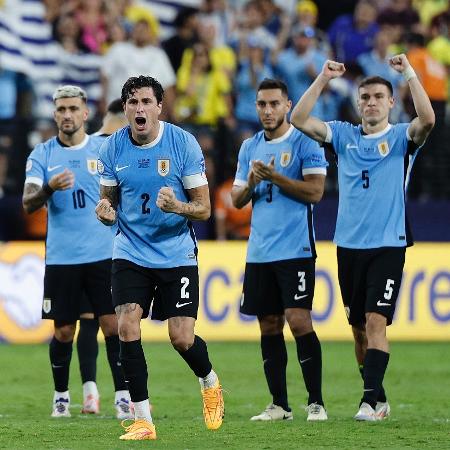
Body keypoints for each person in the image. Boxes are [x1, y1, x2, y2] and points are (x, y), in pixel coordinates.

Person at [290, 55, 435, 420]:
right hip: (349, 246)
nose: (370, 102)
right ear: (358, 103)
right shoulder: (343, 135)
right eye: (365, 97)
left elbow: (428, 119)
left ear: (390, 103)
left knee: (375, 322)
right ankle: (379, 395)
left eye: (377, 97)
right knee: (357, 330)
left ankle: (369, 402)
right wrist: (323, 77)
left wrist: (409, 74)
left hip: (388, 244)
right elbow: (299, 119)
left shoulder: (403, 138)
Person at [95, 75, 224, 441]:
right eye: (132, 102)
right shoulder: (112, 149)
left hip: (175, 252)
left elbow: (204, 209)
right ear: (125, 109)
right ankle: (143, 421)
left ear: (159, 107)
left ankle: (210, 382)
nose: (139, 108)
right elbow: (109, 203)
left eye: (146, 102)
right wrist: (104, 213)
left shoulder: (182, 143)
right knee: (126, 326)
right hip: (131, 250)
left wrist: (178, 205)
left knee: (181, 338)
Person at [22, 85, 132, 420]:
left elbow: (123, 191)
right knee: (64, 331)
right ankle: (61, 397)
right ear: (55, 114)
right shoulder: (42, 155)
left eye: (73, 109)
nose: (67, 115)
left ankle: (123, 397)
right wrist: (49, 188)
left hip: (104, 255)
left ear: (86, 113)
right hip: (62, 259)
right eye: (61, 109)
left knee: (114, 326)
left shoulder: (103, 148)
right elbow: (28, 203)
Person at [231, 78, 328, 422]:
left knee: (298, 320)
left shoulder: (306, 141)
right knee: (268, 325)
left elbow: (315, 192)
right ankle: (279, 405)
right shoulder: (249, 147)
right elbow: (236, 200)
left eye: (274, 104)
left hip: (296, 249)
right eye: (262, 104)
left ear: (288, 105)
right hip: (259, 252)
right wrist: (255, 181)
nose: (268, 110)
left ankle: (316, 402)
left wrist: (275, 178)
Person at [76, 97, 130, 414]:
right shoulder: (103, 148)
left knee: (105, 325)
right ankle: (110, 395)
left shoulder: (117, 150)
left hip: (107, 249)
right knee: (103, 324)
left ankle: (99, 394)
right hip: (98, 250)